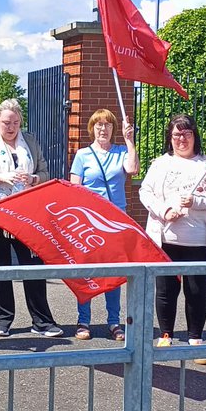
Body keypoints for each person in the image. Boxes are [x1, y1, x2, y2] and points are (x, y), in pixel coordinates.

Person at [138, 114, 206, 365]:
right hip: (166, 237)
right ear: (170, 137)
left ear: (194, 136)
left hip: (198, 240)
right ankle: (165, 334)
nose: (182, 139)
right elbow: (145, 192)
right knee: (166, 290)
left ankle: (195, 340)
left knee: (197, 291)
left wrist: (198, 201)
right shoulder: (160, 164)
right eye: (177, 134)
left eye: (187, 133)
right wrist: (164, 211)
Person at [0, 98, 62, 338]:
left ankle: (42, 321)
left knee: (33, 267)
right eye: (6, 122)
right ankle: (2, 321)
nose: (11, 128)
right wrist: (0, 178)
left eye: (15, 123)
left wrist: (33, 179)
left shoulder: (29, 141)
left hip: (27, 214)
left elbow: (44, 172)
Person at [68, 109, 138, 341]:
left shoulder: (120, 152)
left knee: (113, 272)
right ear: (92, 128)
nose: (103, 129)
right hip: (89, 221)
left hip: (115, 221)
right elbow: (74, 189)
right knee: (86, 271)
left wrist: (130, 142)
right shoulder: (83, 155)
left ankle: (113, 322)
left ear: (113, 129)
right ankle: (83, 320)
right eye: (98, 125)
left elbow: (132, 169)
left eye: (107, 125)